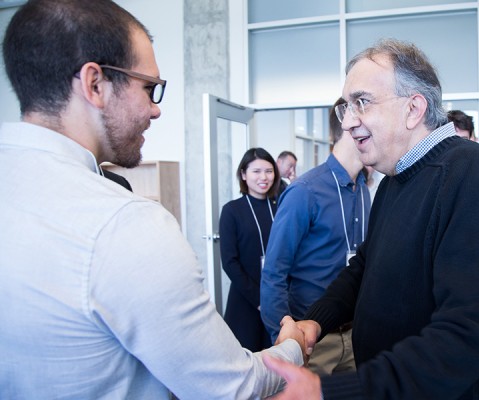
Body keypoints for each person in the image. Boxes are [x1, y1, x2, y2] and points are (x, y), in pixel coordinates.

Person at [0, 1, 304, 399]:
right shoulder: (125, 224)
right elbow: (233, 388)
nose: (156, 110)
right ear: (95, 84)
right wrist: (294, 345)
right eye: (149, 88)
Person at [262, 38, 479, 399]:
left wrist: (332, 391)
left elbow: (466, 337)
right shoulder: (395, 180)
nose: (349, 123)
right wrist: (316, 320)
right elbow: (365, 267)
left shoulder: (473, 175)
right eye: (346, 108)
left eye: (362, 103)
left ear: (413, 109)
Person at [261, 98, 371, 375]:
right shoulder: (305, 192)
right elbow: (273, 273)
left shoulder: (363, 190)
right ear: (350, 127)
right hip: (313, 339)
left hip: (355, 333)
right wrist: (285, 342)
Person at [219, 147, 280, 352]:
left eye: (269, 171)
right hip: (245, 300)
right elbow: (229, 261)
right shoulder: (232, 210)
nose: (263, 177)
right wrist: (259, 299)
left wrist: (274, 298)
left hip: (278, 298)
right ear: (244, 175)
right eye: (256, 171)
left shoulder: (281, 206)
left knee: (277, 364)